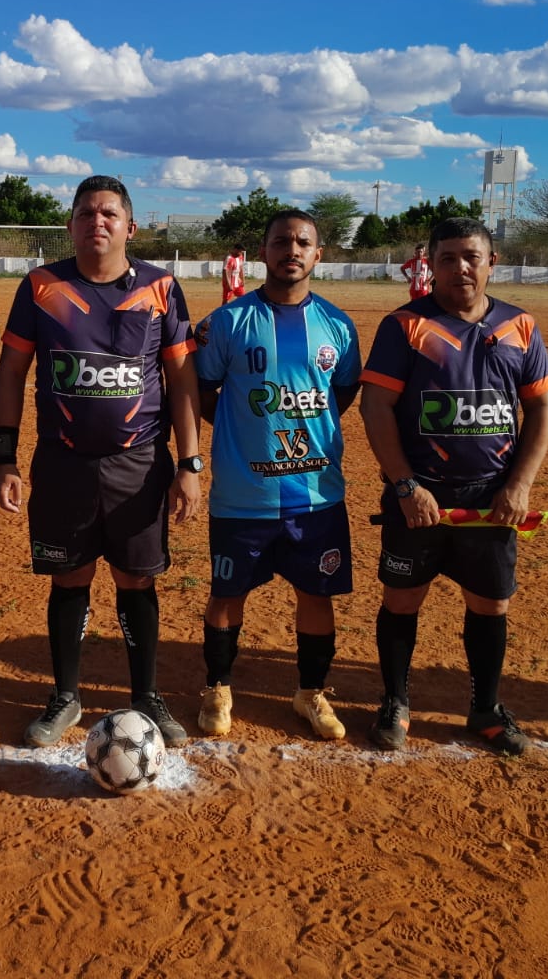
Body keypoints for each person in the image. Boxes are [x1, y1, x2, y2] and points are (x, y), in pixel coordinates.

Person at [0, 176, 202, 748]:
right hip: (63, 463)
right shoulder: (42, 286)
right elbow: (11, 372)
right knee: (70, 577)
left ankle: (146, 695)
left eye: (109, 213)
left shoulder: (160, 287)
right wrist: (6, 457)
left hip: (139, 464)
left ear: (130, 227)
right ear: (71, 225)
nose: (97, 222)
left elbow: (182, 378)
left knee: (137, 579)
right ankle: (65, 695)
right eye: (86, 213)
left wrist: (190, 464)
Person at [360, 217, 548, 757]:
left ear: (492, 262)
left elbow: (541, 407)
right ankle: (396, 702)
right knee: (402, 600)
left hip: (490, 499)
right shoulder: (405, 326)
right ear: (431, 265)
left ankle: (485, 708)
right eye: (447, 258)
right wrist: (405, 486)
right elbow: (376, 407)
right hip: (418, 497)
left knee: (491, 606)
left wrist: (519, 485)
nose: (460, 268)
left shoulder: (519, 325)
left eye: (471, 256)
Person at [193, 210, 361, 740]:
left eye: (303, 242)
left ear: (318, 254)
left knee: (317, 595)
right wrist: (242, 428)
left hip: (317, 496)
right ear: (263, 252)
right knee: (227, 595)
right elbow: (201, 391)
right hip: (244, 495)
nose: (292, 250)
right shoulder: (228, 322)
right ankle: (218, 687)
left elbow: (343, 393)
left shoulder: (338, 326)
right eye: (281, 241)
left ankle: (310, 692)